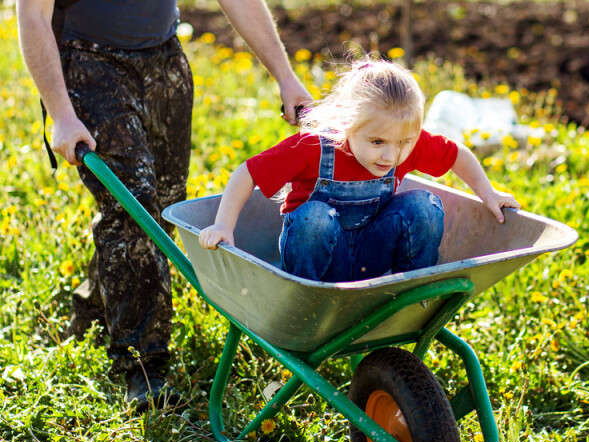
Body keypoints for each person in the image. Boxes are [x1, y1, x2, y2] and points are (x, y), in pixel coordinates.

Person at [17, 0, 312, 410]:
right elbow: (32, 16)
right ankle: (143, 366)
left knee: (161, 208)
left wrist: (286, 76)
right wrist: (61, 114)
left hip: (164, 61)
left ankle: (94, 304)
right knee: (133, 211)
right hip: (89, 62)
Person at [199, 58, 520, 282]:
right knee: (315, 219)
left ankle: (405, 287)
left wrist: (487, 193)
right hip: (315, 257)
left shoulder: (404, 141)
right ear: (347, 123)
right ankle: (310, 298)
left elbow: (455, 155)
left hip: (372, 254)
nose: (391, 155)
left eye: (404, 142)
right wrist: (224, 225)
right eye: (377, 141)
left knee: (424, 205)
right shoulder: (316, 146)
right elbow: (248, 173)